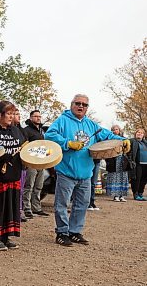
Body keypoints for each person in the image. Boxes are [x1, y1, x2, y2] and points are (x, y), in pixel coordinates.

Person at [45, 94, 129, 246]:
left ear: (87, 108)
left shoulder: (91, 124)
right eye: (78, 103)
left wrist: (123, 141)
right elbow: (49, 135)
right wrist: (68, 143)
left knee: (82, 204)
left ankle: (74, 232)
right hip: (66, 171)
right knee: (62, 204)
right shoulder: (62, 121)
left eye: (84, 104)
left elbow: (108, 135)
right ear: (72, 104)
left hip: (86, 173)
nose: (81, 106)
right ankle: (62, 232)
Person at [0, 101, 26, 250]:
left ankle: (6, 236)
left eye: (13, 114)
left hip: (13, 174)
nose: (11, 117)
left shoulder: (15, 130)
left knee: (11, 206)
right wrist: (2, 156)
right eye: (8, 114)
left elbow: (22, 146)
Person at [23, 110, 50, 218]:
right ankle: (26, 208)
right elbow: (24, 146)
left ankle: (36, 208)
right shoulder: (26, 130)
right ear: (30, 118)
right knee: (29, 185)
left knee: (39, 186)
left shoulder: (41, 132)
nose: (38, 118)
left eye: (39, 116)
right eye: (35, 116)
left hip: (41, 162)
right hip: (31, 162)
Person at [105, 125, 130, 203]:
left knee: (123, 177)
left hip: (122, 160)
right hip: (113, 160)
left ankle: (122, 196)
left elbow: (128, 150)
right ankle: (115, 196)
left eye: (117, 129)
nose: (115, 131)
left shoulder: (124, 139)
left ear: (119, 130)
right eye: (113, 130)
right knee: (114, 178)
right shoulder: (109, 139)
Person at [129, 128, 147, 201]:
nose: (139, 133)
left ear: (143, 135)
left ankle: (140, 193)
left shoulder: (145, 143)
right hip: (137, 164)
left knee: (144, 179)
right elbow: (129, 152)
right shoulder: (132, 141)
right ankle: (135, 194)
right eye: (138, 132)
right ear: (135, 133)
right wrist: (131, 161)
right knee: (136, 179)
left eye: (141, 133)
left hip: (145, 164)